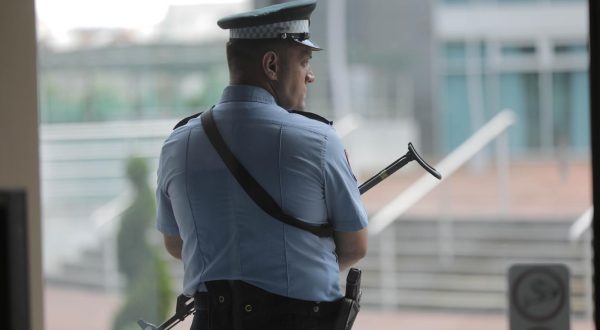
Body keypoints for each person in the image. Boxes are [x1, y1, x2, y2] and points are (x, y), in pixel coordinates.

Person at [155, 1, 368, 329]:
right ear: (271, 65)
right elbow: (354, 246)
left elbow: (175, 242)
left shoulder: (177, 144)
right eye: (304, 62)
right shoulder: (318, 141)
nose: (310, 76)